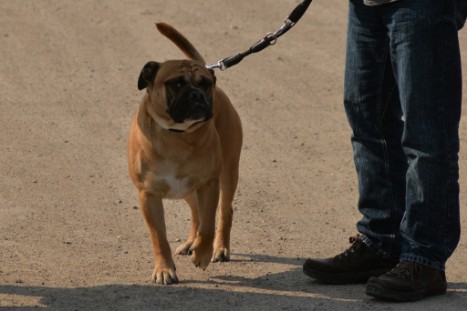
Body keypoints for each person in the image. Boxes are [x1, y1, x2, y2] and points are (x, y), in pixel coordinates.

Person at [303, 0, 465, 302]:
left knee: (427, 133)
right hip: (365, 5)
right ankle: (381, 241)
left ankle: (425, 257)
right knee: (367, 116)